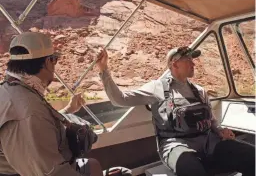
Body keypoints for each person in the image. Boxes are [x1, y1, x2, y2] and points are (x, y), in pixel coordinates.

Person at [97, 47, 255, 176]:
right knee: (191, 169)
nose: (193, 64)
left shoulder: (200, 91)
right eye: (188, 60)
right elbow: (120, 99)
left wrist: (220, 131)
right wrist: (104, 70)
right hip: (176, 145)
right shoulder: (157, 88)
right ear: (174, 64)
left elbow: (211, 120)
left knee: (251, 155)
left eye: (193, 60)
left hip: (208, 142)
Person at [0, 32, 103, 176]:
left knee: (93, 165)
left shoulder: (12, 90)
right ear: (48, 62)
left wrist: (68, 109)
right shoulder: (28, 112)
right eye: (54, 60)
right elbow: (50, 172)